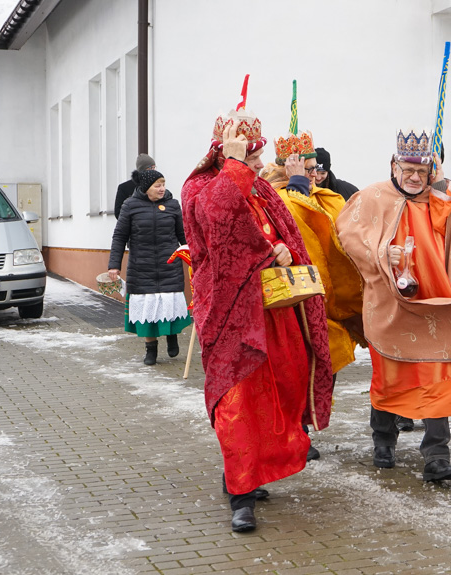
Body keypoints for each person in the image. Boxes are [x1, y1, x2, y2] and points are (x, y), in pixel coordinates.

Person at [181, 101, 333, 533]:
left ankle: (254, 472)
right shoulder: (200, 189)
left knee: (279, 392)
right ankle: (240, 494)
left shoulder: (262, 190)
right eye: (252, 156)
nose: (261, 164)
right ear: (225, 155)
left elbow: (283, 233)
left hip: (274, 312)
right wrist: (268, 252)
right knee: (239, 401)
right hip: (232, 318)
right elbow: (219, 225)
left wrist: (283, 252)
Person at [337, 129, 451, 482]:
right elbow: (349, 237)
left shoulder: (438, 197)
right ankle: (383, 441)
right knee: (390, 376)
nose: (415, 178)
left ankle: (437, 455)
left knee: (436, 374)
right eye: (408, 170)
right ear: (394, 165)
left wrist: (443, 186)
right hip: (390, 305)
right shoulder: (371, 198)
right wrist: (383, 253)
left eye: (422, 172)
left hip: (434, 304)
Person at [263, 131, 365, 460]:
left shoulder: (326, 195)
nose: (312, 175)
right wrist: (295, 187)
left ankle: (304, 425)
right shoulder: (271, 194)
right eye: (305, 169)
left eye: (313, 169)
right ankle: (294, 432)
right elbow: (291, 222)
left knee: (324, 360)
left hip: (325, 297)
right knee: (293, 366)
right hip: (288, 298)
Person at [107, 169, 192, 365]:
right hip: (141, 267)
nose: (162, 188)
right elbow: (119, 236)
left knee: (169, 305)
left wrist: (194, 256)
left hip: (169, 265)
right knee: (147, 311)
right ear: (146, 188)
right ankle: (150, 350)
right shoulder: (130, 206)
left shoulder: (172, 205)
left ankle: (172, 337)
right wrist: (114, 265)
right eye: (158, 185)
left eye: (163, 184)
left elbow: (184, 235)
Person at [115, 154, 156, 220]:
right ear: (142, 169)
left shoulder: (157, 186)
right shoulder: (124, 187)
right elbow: (118, 212)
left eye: (154, 168)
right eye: (150, 168)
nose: (153, 170)